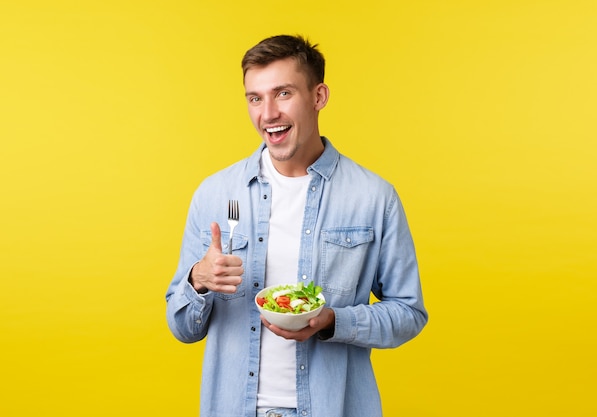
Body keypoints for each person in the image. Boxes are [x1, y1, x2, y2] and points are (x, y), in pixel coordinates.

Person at [165, 34, 428, 417]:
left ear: (318, 96)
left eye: (283, 93)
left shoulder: (373, 198)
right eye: (255, 98)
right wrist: (198, 279)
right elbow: (183, 327)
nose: (267, 113)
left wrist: (334, 321)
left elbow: (409, 312)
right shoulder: (216, 194)